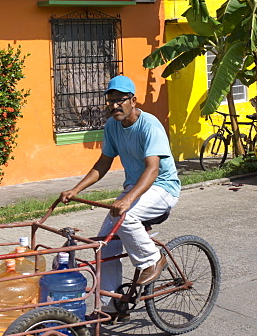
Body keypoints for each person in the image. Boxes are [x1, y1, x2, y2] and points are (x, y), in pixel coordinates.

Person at [58, 75, 180, 311]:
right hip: (135, 189)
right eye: (110, 100)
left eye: (120, 100)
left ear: (133, 100)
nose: (114, 105)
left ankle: (152, 261)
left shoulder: (150, 125)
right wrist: (75, 189)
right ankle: (112, 304)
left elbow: (153, 169)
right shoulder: (112, 126)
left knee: (126, 217)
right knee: (105, 244)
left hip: (163, 188)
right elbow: (103, 163)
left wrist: (128, 199)